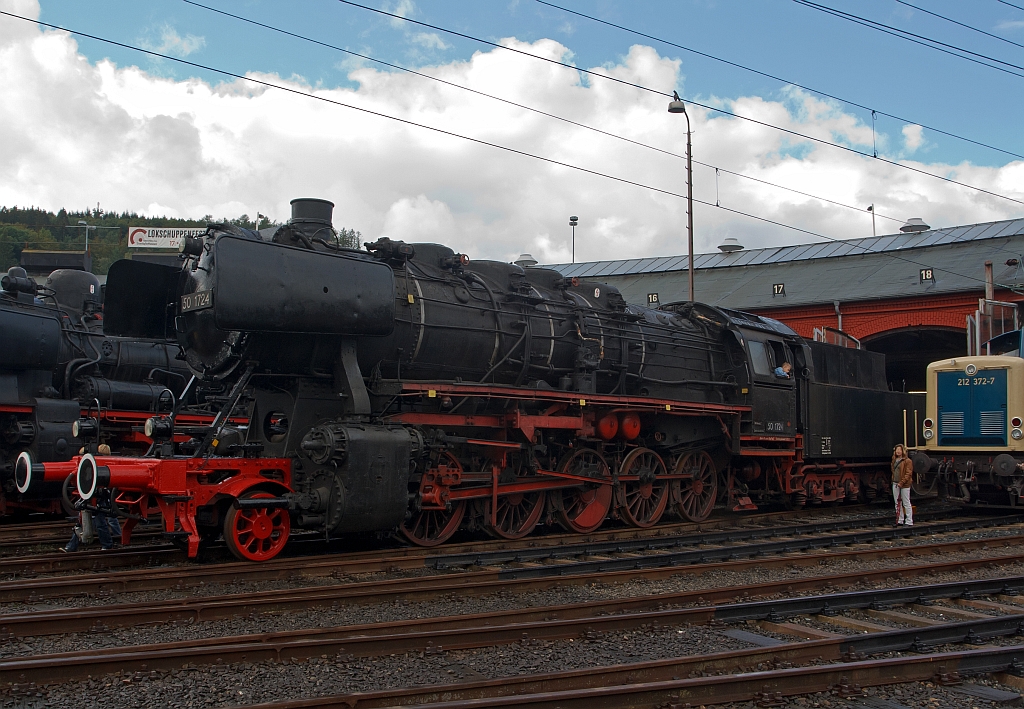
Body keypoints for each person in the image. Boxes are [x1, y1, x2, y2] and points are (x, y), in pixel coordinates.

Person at [892, 444, 914, 526]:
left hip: (904, 484)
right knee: (897, 503)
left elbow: (908, 473)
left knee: (906, 502)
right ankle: (900, 520)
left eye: (899, 450)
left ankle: (909, 521)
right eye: (897, 450)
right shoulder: (894, 460)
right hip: (895, 483)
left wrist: (902, 482)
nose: (898, 451)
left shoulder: (908, 461)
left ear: (903, 451)